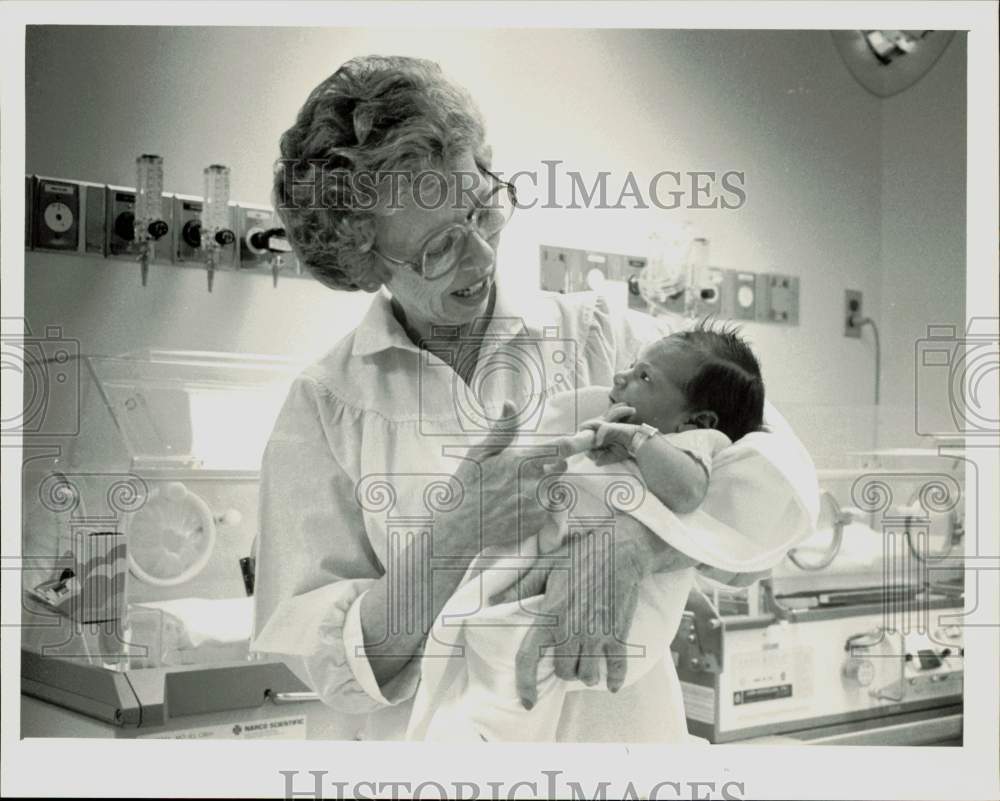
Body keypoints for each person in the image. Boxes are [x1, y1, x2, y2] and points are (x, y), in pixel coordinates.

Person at [250, 54, 818, 742]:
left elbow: (778, 488)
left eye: (483, 211)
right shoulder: (327, 407)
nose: (482, 256)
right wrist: (456, 534)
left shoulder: (612, 341)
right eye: (438, 247)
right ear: (366, 258)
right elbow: (336, 668)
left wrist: (635, 535)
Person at [405, 325, 799, 741]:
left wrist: (638, 441)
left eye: (644, 377)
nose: (621, 377)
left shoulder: (697, 441)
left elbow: (689, 493)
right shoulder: (624, 418)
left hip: (627, 604)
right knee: (493, 631)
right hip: (555, 565)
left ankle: (491, 736)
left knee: (525, 648)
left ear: (695, 419)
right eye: (631, 367)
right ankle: (482, 730)